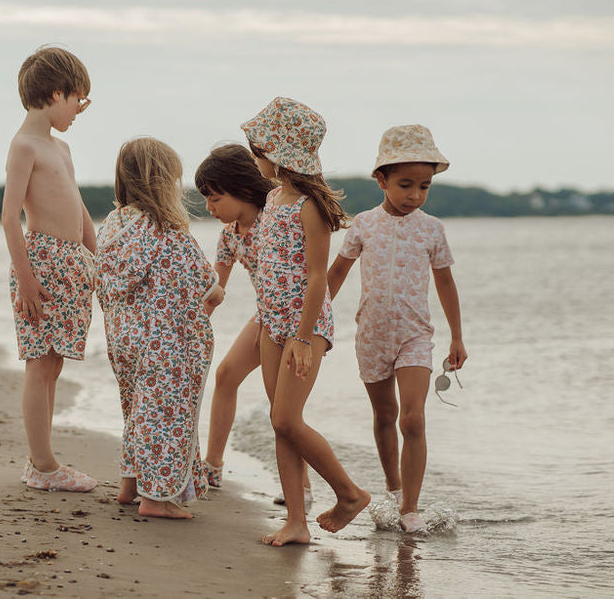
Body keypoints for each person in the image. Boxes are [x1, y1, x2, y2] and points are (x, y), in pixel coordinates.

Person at [241, 97, 371, 546]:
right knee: (280, 421)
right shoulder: (275, 196)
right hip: (271, 321)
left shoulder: (309, 207)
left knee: (287, 418)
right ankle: (296, 520)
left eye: (257, 149)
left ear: (277, 151)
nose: (254, 158)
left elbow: (318, 277)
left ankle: (350, 494)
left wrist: (302, 336)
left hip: (304, 326)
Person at [327, 124, 468, 533]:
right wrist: (313, 322)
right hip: (370, 335)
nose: (415, 195)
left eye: (424, 187)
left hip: (414, 336)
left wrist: (456, 336)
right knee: (385, 415)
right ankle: (392, 489)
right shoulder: (364, 225)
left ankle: (409, 508)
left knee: (413, 420)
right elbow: (336, 272)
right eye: (406, 185)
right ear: (381, 179)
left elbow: (445, 282)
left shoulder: (431, 229)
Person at [96, 137, 225, 519]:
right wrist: (216, 291)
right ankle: (157, 499)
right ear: (162, 183)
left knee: (138, 411)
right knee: (166, 416)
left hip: (124, 341)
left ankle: (131, 483)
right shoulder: (166, 230)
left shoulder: (113, 226)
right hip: (164, 344)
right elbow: (199, 279)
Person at [1, 45, 98, 492]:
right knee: (39, 363)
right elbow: (9, 216)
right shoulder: (25, 146)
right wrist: (25, 277)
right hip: (39, 263)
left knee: (54, 364)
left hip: (71, 263)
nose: (81, 109)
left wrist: (96, 259)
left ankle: (42, 461)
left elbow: (79, 210)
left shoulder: (61, 147)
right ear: (57, 93)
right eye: (79, 99)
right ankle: (43, 465)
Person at [195, 144, 317, 498]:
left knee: (284, 407)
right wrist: (193, 323)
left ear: (243, 189)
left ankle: (303, 486)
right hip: (264, 316)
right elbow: (216, 290)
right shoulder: (230, 235)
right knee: (226, 374)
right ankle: (213, 467)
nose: (209, 207)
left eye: (215, 198)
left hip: (292, 321)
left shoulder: (274, 219)